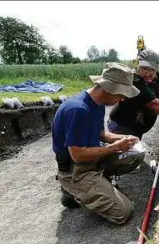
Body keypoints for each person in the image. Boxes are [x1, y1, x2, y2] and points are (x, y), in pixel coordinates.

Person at [52, 62, 145, 225]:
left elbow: (101, 134)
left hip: (92, 160)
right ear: (109, 88)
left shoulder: (98, 104)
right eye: (121, 94)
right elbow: (78, 155)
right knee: (123, 212)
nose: (122, 99)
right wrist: (116, 147)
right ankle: (73, 190)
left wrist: (124, 139)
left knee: (136, 154)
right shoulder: (78, 110)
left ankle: (99, 183)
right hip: (76, 169)